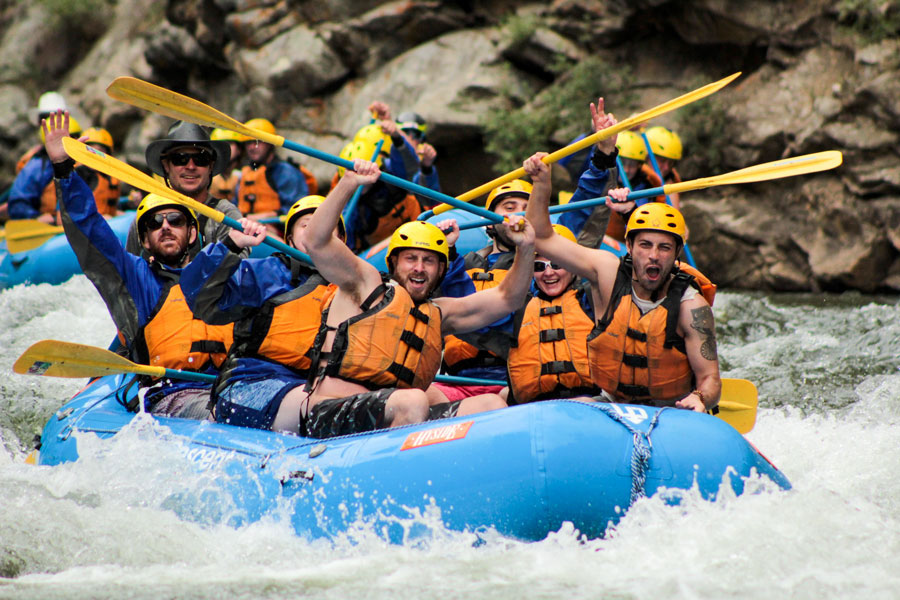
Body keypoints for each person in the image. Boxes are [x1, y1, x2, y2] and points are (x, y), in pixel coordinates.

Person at [230, 158, 534, 438]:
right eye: (410, 259)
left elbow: (508, 297)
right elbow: (316, 239)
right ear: (393, 263)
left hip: (391, 415)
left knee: (490, 404)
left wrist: (526, 247)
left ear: (442, 269)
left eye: (429, 261)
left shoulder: (441, 313)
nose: (418, 268)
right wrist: (348, 183)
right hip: (326, 412)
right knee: (413, 400)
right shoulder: (364, 282)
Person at [44, 111, 235, 418]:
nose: (166, 227)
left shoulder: (227, 221)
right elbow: (127, 289)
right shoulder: (140, 263)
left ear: (192, 234)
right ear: (145, 241)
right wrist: (64, 170)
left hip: (218, 372)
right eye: (157, 224)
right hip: (169, 371)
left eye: (175, 220)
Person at [524, 146, 721, 412]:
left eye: (664, 248)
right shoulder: (606, 273)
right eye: (645, 245)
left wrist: (700, 397)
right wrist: (541, 183)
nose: (653, 256)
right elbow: (542, 237)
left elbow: (710, 379)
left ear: (676, 253)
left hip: (672, 410)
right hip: (612, 404)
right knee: (575, 405)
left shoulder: (691, 306)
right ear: (629, 246)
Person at [179, 196, 344, 432]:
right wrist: (231, 245)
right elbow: (200, 298)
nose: (317, 232)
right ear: (289, 240)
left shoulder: (354, 288)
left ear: (341, 240)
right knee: (330, 405)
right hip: (252, 386)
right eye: (307, 226)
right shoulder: (268, 273)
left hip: (313, 388)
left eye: (326, 226)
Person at [431, 178, 535, 403]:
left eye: (527, 210)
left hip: (507, 379)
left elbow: (579, 227)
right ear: (489, 223)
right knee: (416, 397)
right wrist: (446, 251)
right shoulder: (462, 262)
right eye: (510, 208)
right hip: (456, 379)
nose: (519, 215)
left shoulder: (542, 267)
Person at [124, 120, 247, 258]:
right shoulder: (148, 215)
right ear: (166, 165)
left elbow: (234, 272)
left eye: (200, 159)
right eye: (180, 159)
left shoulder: (226, 215)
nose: (191, 166)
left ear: (210, 166)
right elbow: (129, 270)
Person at [505, 224, 598, 404]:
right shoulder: (517, 308)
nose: (548, 273)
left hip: (590, 401)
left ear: (573, 265)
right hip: (534, 408)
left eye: (556, 264)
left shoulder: (593, 300)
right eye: (539, 266)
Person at [555, 98, 621, 249]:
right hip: (580, 188)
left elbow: (594, 190)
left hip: (590, 187)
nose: (549, 273)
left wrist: (605, 150)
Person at [7, 114, 81, 224]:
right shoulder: (36, 167)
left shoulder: (84, 164)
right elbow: (18, 204)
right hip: (47, 225)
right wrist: (36, 217)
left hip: (78, 222)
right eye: (66, 139)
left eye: (75, 138)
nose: (72, 143)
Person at [233, 118, 308, 222]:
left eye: (257, 142)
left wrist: (264, 217)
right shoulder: (244, 173)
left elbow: (297, 209)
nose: (252, 147)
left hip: (277, 230)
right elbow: (235, 205)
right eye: (248, 143)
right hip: (246, 228)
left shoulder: (285, 172)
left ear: (270, 143)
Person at [396, 111, 442, 200]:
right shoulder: (388, 159)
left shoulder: (423, 166)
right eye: (405, 133)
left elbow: (431, 199)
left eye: (416, 134)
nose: (410, 138)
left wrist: (426, 166)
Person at [77, 127, 121, 217]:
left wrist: (128, 202)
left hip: (105, 222)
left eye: (100, 151)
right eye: (91, 150)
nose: (95, 155)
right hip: (86, 225)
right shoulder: (77, 175)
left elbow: (112, 206)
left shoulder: (109, 176)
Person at [643, 125, 684, 208]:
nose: (666, 167)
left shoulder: (670, 184)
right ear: (646, 157)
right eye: (662, 160)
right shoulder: (627, 175)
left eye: (670, 163)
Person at [209, 127, 244, 202]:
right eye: (219, 145)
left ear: (239, 149)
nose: (224, 148)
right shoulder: (205, 175)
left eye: (229, 143)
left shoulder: (246, 174)